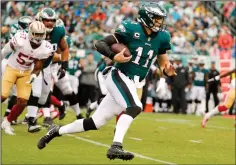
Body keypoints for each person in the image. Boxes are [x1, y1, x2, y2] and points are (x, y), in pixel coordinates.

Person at [37, 3, 176, 161]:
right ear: (146, 18)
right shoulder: (130, 28)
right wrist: (112, 56)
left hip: (136, 81)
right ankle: (116, 146)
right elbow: (100, 43)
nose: (159, 22)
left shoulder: (163, 36)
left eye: (160, 19)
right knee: (135, 107)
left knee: (96, 122)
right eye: (156, 19)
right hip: (119, 75)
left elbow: (163, 61)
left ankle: (56, 131)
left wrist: (166, 72)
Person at [1, 21, 54, 135]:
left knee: (23, 101)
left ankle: (7, 122)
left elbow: (39, 65)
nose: (38, 37)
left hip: (26, 72)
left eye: (41, 34)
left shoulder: (46, 47)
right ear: (30, 32)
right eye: (36, 34)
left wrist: (35, 74)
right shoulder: (21, 38)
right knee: (3, 95)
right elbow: (5, 50)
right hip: (12, 67)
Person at [2, 16, 33, 124]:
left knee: (16, 94)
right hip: (11, 62)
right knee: (9, 93)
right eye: (29, 25)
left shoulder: (15, 29)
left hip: (12, 61)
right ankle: (8, 115)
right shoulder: (21, 34)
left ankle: (8, 115)